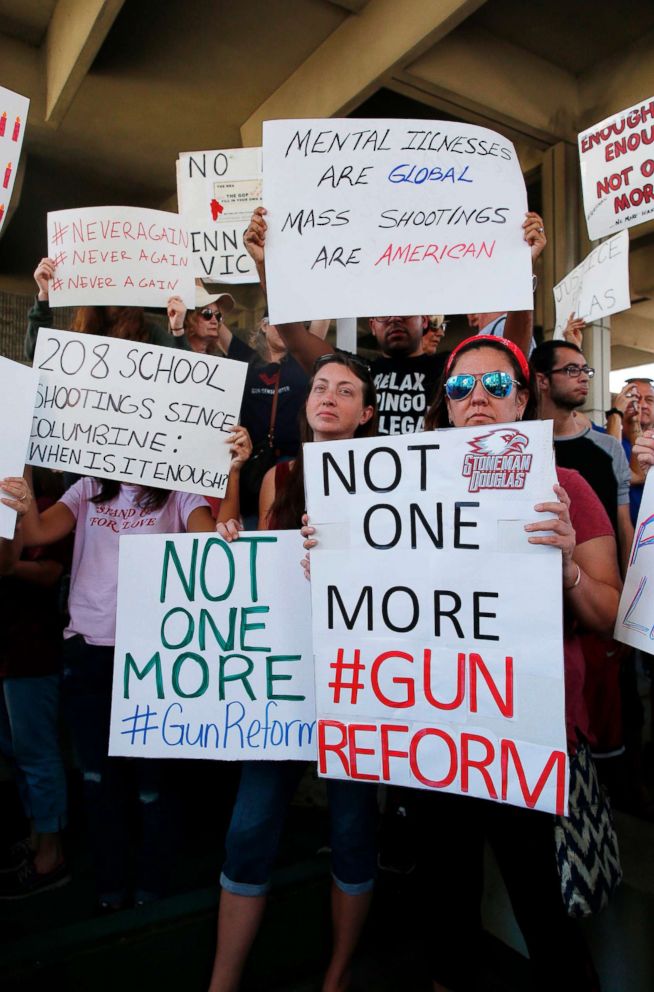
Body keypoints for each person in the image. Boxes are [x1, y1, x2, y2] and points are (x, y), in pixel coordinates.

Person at [421, 335, 620, 991]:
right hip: (437, 733)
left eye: (496, 386)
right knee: (447, 911)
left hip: (529, 735)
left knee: (547, 916)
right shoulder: (406, 492)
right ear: (444, 404)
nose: (477, 398)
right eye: (460, 387)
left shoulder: (565, 486)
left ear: (523, 398)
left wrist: (567, 572)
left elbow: (611, 611)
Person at [2, 429, 251, 910]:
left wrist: (232, 472)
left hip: (153, 657)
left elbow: (216, 543)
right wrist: (22, 485)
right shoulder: (87, 487)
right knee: (97, 781)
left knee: (154, 786)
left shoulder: (181, 490)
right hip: (88, 651)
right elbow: (34, 533)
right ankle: (112, 888)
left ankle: (152, 889)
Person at [207, 353, 379, 992]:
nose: (327, 396)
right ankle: (222, 982)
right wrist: (235, 552)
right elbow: (262, 568)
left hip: (358, 683)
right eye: (321, 387)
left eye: (346, 390)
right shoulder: (278, 476)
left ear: (366, 413)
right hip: (280, 678)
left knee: (353, 828)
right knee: (249, 829)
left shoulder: (395, 483)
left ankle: (335, 978)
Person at [242, 208, 547, 436]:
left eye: (404, 311)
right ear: (371, 326)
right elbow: (294, 336)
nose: (394, 319)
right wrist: (265, 265)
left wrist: (520, 273)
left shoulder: (451, 370)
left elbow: (512, 353)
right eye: (382, 315)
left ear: (423, 319)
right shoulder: (357, 373)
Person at [0, 469, 70, 898]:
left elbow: (48, 574)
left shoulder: (50, 508)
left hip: (31, 647)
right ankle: (36, 836)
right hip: (6, 648)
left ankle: (52, 854)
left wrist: (13, 567)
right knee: (13, 749)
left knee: (36, 752)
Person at [25, 257, 191, 360]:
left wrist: (177, 328)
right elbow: (37, 352)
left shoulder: (149, 333)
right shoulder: (82, 332)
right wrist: (44, 296)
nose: (113, 282)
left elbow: (184, 371)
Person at [166, 283, 236, 355]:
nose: (215, 321)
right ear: (187, 320)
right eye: (207, 314)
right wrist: (178, 330)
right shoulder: (167, 354)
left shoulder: (220, 361)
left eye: (218, 315)